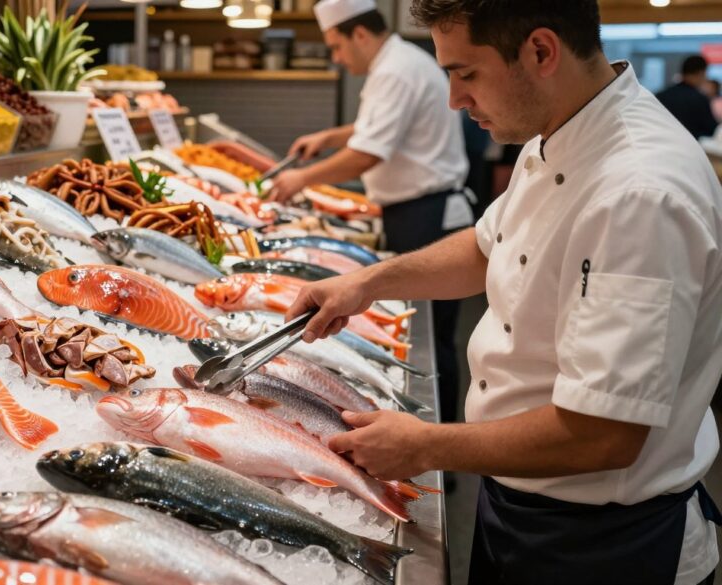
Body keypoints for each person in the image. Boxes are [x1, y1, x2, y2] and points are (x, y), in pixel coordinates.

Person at [287, 1, 722, 584]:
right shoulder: (559, 128)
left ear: (541, 51)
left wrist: (425, 447)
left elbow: (603, 436)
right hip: (517, 501)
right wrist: (367, 282)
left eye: (465, 73)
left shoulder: (639, 194)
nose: (454, 100)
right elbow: (489, 244)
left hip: (603, 545)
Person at [271, 0, 470, 427]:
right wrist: (328, 137)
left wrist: (300, 179)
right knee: (429, 334)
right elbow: (378, 128)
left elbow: (367, 153)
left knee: (429, 339)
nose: (337, 59)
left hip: (426, 215)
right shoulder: (398, 62)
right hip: (419, 209)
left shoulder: (395, 71)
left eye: (336, 47)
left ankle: (437, 441)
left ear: (359, 34)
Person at [657, 55, 719, 139]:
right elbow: (711, 130)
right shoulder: (699, 99)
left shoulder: (661, 96)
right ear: (701, 73)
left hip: (663, 144)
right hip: (691, 147)